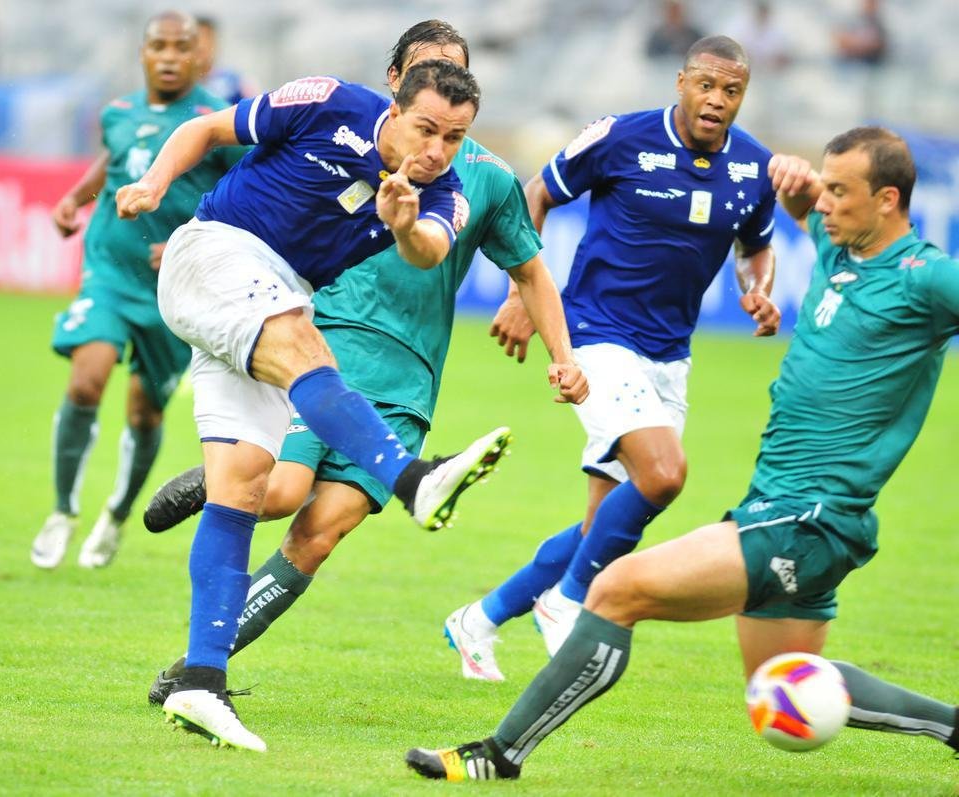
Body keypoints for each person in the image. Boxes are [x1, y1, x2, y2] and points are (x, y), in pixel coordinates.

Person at [406, 126, 959, 781]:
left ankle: (500, 755)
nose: (826, 203)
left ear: (888, 200)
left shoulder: (928, 278)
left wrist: (809, 191)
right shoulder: (840, 246)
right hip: (783, 506)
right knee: (781, 679)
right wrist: (799, 186)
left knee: (614, 589)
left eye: (841, 191)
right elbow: (806, 207)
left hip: (807, 517)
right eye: (826, 187)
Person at [140, 18, 587, 705]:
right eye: (427, 74)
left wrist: (562, 355)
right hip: (321, 338)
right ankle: (395, 481)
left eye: (456, 81)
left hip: (407, 378)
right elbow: (234, 155)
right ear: (398, 85)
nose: (439, 119)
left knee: (318, 534)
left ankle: (199, 670)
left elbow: (515, 266)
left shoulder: (480, 182)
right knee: (276, 493)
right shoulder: (341, 115)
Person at [444, 35, 793, 681]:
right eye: (706, 85)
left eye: (731, 90)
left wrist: (759, 290)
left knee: (601, 527)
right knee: (664, 475)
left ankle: (479, 620)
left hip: (670, 354)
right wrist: (523, 291)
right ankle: (566, 602)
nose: (716, 99)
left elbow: (756, 245)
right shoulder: (620, 137)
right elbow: (537, 193)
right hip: (597, 335)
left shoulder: (753, 165)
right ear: (682, 81)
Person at [29, 11, 243, 570]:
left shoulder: (217, 122)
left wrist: (187, 241)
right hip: (110, 269)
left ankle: (117, 513)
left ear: (199, 56)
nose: (169, 57)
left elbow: (244, 192)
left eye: (181, 47)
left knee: (145, 414)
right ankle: (62, 510)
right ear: (143, 53)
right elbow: (117, 158)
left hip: (174, 289)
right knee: (86, 381)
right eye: (159, 46)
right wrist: (76, 197)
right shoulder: (118, 112)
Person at [195, 16, 258, 105]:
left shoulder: (235, 81)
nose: (202, 44)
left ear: (215, 43)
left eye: (207, 38)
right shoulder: (182, 85)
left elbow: (255, 108)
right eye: (197, 39)